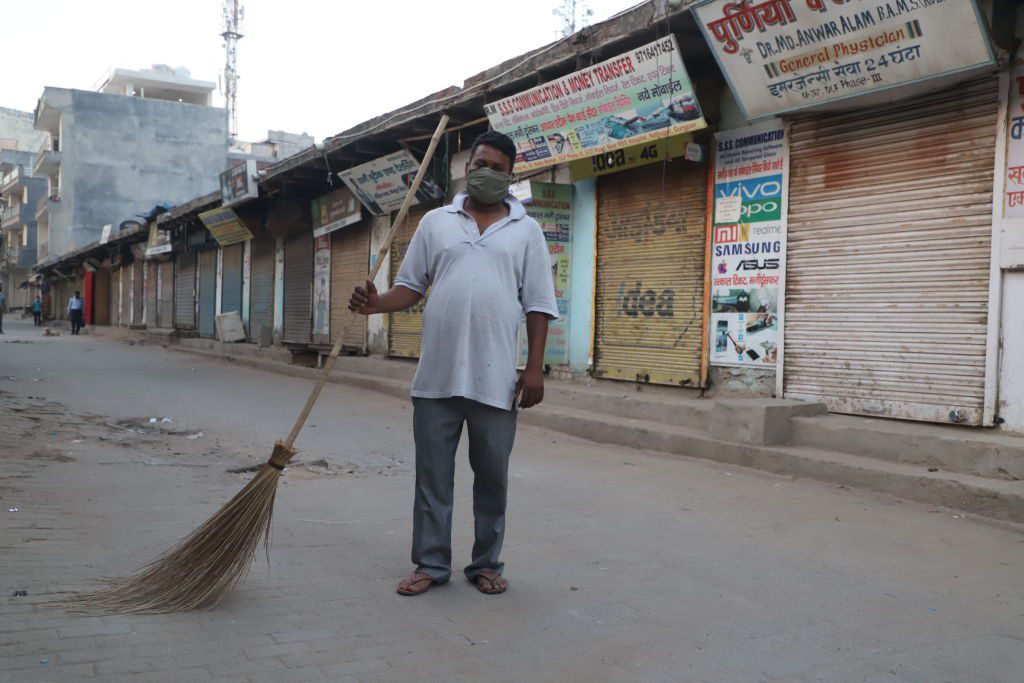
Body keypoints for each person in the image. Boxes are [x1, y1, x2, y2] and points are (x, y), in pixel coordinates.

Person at [349, 131, 558, 597]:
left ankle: (486, 563)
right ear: (468, 167)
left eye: (498, 168)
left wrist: (534, 367)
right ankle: (430, 563)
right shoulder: (435, 222)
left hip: (496, 379)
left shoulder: (526, 231)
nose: (487, 173)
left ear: (510, 175)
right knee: (433, 478)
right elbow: (410, 287)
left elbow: (539, 304)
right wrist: (375, 304)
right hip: (437, 377)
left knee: (493, 479)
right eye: (480, 164)